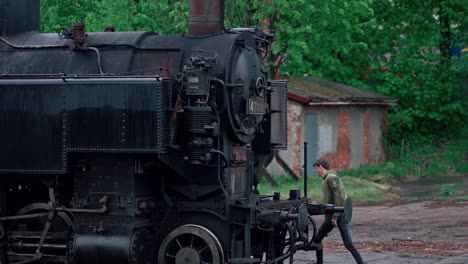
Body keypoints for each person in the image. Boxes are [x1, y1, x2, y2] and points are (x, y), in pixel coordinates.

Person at [312, 158, 364, 264]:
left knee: (348, 243)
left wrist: (335, 216)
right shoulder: (325, 180)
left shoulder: (331, 177)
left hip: (339, 215)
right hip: (332, 215)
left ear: (320, 167)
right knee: (317, 239)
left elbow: (339, 197)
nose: (316, 171)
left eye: (316, 169)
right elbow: (330, 198)